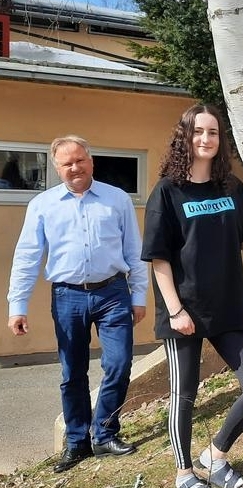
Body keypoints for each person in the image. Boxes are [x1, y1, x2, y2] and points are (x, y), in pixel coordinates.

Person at [142, 104, 243, 488]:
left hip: (227, 307)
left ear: (221, 139)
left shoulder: (231, 187)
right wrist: (175, 310)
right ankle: (184, 473)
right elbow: (159, 259)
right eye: (198, 131)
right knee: (184, 395)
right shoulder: (167, 191)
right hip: (184, 311)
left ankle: (215, 456)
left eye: (213, 132)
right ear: (184, 137)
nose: (205, 139)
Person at [7, 135, 147, 473]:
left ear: (91, 161)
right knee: (73, 372)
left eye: (79, 160)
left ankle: (105, 434)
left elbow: (135, 250)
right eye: (66, 163)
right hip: (67, 296)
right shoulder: (42, 205)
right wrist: (17, 305)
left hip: (113, 293)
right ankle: (76, 441)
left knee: (119, 364)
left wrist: (139, 295)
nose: (74, 168)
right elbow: (27, 257)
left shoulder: (117, 199)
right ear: (57, 168)